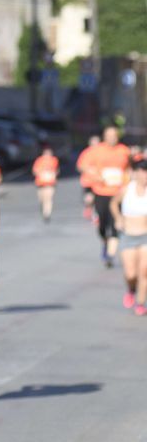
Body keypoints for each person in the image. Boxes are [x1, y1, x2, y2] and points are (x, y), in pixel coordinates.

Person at [83, 125, 130, 267]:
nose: (112, 138)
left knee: (116, 223)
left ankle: (110, 255)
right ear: (104, 136)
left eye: (114, 135)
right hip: (101, 191)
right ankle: (105, 241)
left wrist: (127, 182)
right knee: (103, 224)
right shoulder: (96, 151)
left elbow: (130, 169)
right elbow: (83, 166)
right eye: (109, 135)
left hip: (118, 193)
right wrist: (95, 177)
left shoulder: (124, 150)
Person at [110, 158, 147, 315]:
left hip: (145, 235)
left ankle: (140, 303)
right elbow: (113, 203)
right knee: (130, 274)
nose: (145, 175)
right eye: (143, 172)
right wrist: (118, 218)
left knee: (144, 272)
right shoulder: (127, 189)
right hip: (128, 236)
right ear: (136, 173)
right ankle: (131, 290)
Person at [32, 144, 59, 223]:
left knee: (49, 198)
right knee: (42, 199)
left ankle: (47, 213)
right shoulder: (39, 160)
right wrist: (41, 173)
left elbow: (56, 170)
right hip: (40, 183)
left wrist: (53, 174)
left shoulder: (54, 160)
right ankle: (43, 210)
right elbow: (35, 171)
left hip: (50, 183)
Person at [76, 135, 101, 221]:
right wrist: (88, 170)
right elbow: (79, 166)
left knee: (99, 199)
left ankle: (96, 215)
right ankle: (89, 208)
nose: (96, 144)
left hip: (100, 180)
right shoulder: (86, 153)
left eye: (97, 142)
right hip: (88, 181)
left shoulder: (103, 152)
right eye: (94, 142)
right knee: (89, 198)